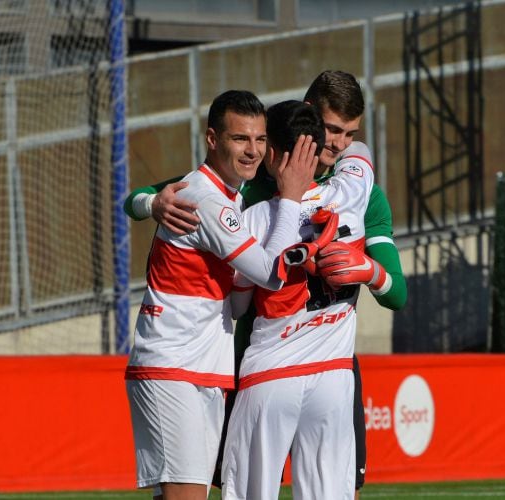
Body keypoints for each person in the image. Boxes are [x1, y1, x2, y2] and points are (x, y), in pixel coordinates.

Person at [125, 70, 407, 496]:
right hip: (242, 362)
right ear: (309, 116)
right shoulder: (248, 183)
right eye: (332, 130)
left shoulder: (362, 192)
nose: (339, 144)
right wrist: (153, 202)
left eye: (351, 134)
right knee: (197, 489)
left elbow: (398, 294)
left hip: (327, 364)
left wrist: (371, 272)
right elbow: (143, 197)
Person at [123, 89, 317, 500]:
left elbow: (240, 299)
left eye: (260, 139)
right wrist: (292, 199)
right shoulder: (207, 199)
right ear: (213, 139)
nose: (252, 151)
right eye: (240, 139)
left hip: (202, 366)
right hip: (172, 365)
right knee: (188, 495)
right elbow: (270, 273)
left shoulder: (228, 195)